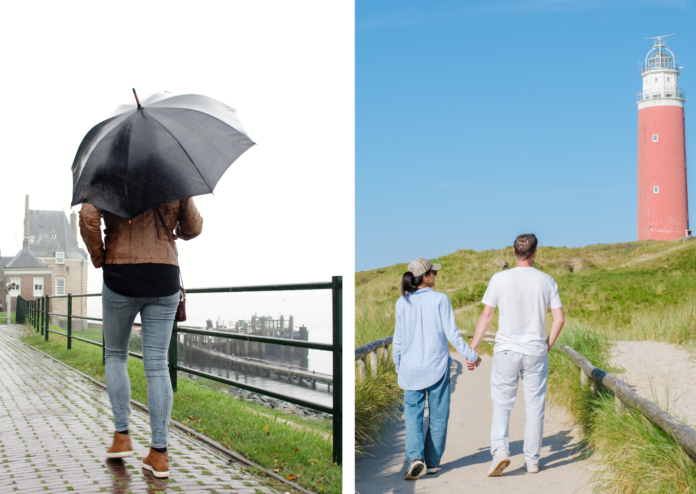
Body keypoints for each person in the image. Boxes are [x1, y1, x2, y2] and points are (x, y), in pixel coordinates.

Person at [79, 198, 203, 478]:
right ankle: (159, 454)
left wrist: (101, 257)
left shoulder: (107, 173)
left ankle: (122, 437)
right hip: (163, 274)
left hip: (120, 273)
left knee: (115, 354)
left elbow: (88, 216)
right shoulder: (173, 174)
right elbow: (193, 227)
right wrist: (174, 234)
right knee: (157, 364)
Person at [470, 234, 565, 477]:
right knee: (535, 407)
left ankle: (500, 451)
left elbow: (486, 317)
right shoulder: (547, 280)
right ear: (534, 254)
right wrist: (547, 346)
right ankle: (532, 461)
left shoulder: (499, 278)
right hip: (535, 350)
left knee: (502, 403)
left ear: (514, 253)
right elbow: (559, 319)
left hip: (506, 350)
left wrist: (473, 350)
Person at [393, 257, 481, 480]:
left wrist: (397, 365)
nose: (436, 276)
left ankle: (415, 458)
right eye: (434, 272)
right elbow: (452, 334)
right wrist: (472, 355)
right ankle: (432, 463)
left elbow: (398, 339)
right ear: (425, 276)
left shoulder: (402, 302)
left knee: (412, 415)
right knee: (439, 415)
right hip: (437, 366)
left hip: (410, 368)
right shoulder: (441, 299)